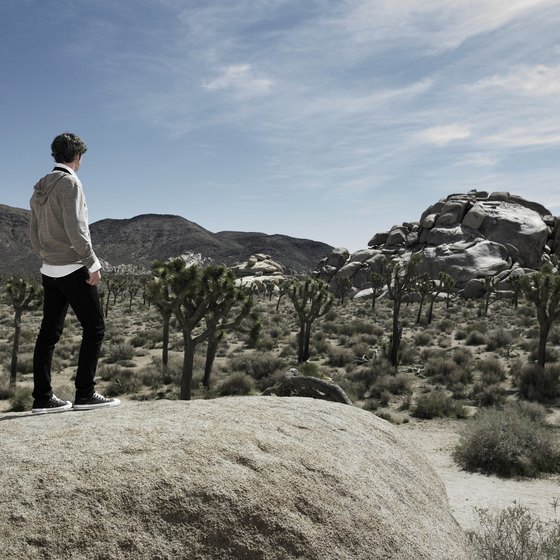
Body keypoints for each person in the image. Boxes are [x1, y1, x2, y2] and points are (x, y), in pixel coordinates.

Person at [29, 132, 120, 414]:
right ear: (77, 157)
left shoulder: (40, 186)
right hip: (72, 266)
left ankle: (43, 398)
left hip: (49, 269)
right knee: (95, 328)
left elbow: (32, 230)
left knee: (49, 333)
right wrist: (91, 263)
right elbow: (77, 228)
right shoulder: (70, 183)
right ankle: (85, 393)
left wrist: (45, 255)